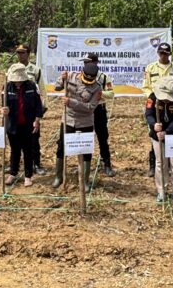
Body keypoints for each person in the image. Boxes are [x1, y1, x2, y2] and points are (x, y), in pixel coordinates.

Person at [52, 58, 103, 191]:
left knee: (86, 150)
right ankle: (58, 176)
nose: (89, 81)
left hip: (85, 121)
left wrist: (72, 102)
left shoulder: (97, 87)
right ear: (82, 73)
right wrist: (61, 79)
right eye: (87, 78)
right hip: (68, 118)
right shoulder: (71, 77)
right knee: (61, 146)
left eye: (91, 80)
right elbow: (57, 87)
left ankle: (85, 180)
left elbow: (90, 107)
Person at [142, 42, 173, 177]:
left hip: (172, 106)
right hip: (155, 105)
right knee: (155, 134)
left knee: (171, 131)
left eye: (166, 53)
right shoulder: (151, 68)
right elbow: (146, 86)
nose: (163, 56)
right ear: (158, 53)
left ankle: (170, 165)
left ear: (169, 54)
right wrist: (153, 99)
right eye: (161, 53)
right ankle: (154, 165)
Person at [146, 75, 173, 203]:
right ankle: (161, 191)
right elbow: (148, 114)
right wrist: (153, 124)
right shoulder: (153, 98)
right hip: (157, 136)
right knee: (160, 163)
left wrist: (167, 132)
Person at [2, 64, 43, 187]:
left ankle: (28, 175)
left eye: (20, 80)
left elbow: (38, 105)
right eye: (16, 80)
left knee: (28, 150)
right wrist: (4, 111)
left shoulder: (32, 86)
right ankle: (13, 173)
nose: (18, 82)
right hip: (13, 124)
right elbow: (4, 105)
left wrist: (37, 120)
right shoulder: (7, 87)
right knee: (14, 150)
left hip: (28, 123)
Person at [8, 44, 45, 174]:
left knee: (34, 140)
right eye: (18, 52)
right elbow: (8, 89)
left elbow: (41, 92)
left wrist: (40, 113)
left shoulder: (35, 70)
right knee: (15, 143)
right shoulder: (12, 69)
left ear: (28, 53)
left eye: (22, 52)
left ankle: (37, 164)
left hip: (31, 109)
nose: (20, 55)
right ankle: (14, 166)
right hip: (16, 110)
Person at [86, 53, 116, 176]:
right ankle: (85, 164)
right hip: (86, 110)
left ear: (96, 63)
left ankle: (107, 164)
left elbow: (111, 93)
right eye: (85, 62)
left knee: (102, 137)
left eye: (88, 62)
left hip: (99, 110)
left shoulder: (104, 78)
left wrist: (100, 93)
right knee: (86, 137)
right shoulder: (80, 76)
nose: (86, 64)